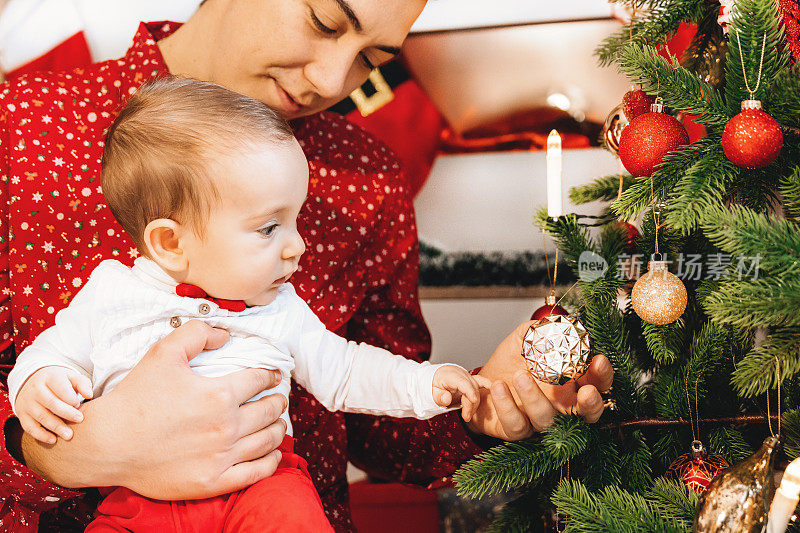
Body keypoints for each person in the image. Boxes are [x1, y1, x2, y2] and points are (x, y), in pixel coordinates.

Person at [0, 1, 613, 530]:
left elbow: (378, 427)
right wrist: (71, 451)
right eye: (323, 21)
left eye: (371, 59)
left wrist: (482, 399)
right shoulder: (24, 128)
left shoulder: (367, 177)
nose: (328, 79)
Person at [9, 76, 486, 532]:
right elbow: (53, 352)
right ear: (171, 243)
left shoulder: (280, 306)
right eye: (268, 227)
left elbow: (343, 371)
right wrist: (41, 382)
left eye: (295, 220)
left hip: (264, 484)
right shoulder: (111, 292)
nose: (297, 245)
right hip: (136, 500)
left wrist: (426, 384)